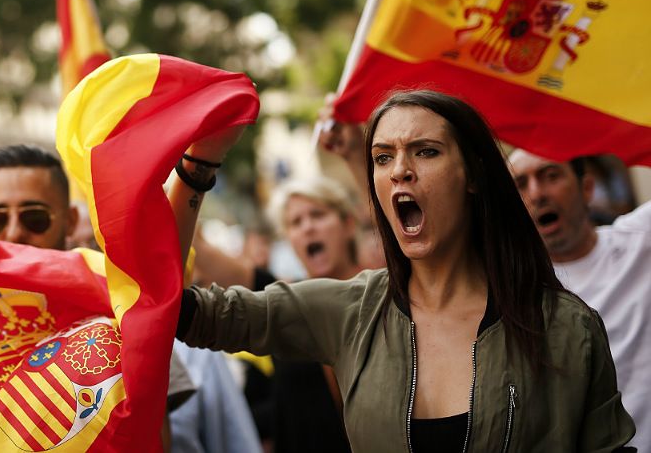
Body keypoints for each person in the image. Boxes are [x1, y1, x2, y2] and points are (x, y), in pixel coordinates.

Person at [172, 90, 635, 451]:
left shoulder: (566, 326)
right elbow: (170, 308)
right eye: (382, 157)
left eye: (426, 151)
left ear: (473, 174)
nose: (399, 172)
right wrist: (197, 163)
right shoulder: (350, 310)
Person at [0, 144, 197, 450]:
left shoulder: (118, 300)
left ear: (68, 220)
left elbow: (154, 437)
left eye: (34, 218)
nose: (13, 233)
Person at [194, 177, 360, 452]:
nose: (307, 227)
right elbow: (202, 253)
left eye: (318, 214)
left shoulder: (388, 293)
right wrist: (189, 180)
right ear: (289, 240)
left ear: (348, 224)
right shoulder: (283, 303)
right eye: (295, 222)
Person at [509, 148, 651, 453]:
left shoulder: (642, 239)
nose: (537, 193)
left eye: (551, 176)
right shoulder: (508, 293)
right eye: (521, 183)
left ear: (586, 188)